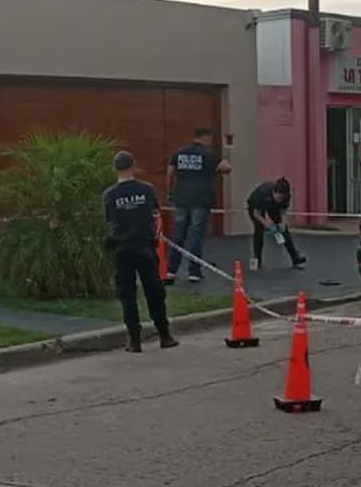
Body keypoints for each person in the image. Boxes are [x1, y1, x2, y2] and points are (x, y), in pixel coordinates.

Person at [102, 150, 179, 353]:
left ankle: (134, 341)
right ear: (133, 166)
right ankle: (165, 335)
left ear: (115, 169)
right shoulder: (147, 190)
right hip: (145, 247)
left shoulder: (109, 195)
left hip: (122, 249)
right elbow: (156, 215)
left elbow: (109, 224)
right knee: (154, 292)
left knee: (127, 296)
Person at [165, 127, 232, 284]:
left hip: (181, 199)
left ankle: (171, 270)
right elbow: (226, 168)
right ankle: (194, 271)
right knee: (195, 235)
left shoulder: (179, 152)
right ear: (206, 137)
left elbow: (169, 173)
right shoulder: (208, 155)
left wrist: (170, 194)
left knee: (178, 235)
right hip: (201, 200)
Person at [246, 177, 307, 271]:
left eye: (282, 198)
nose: (280, 200)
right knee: (259, 229)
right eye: (278, 197)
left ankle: (295, 258)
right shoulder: (262, 195)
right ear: (274, 192)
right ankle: (257, 260)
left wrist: (282, 222)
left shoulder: (285, 197)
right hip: (255, 207)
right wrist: (268, 225)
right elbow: (256, 214)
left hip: (273, 206)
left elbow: (283, 210)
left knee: (284, 230)